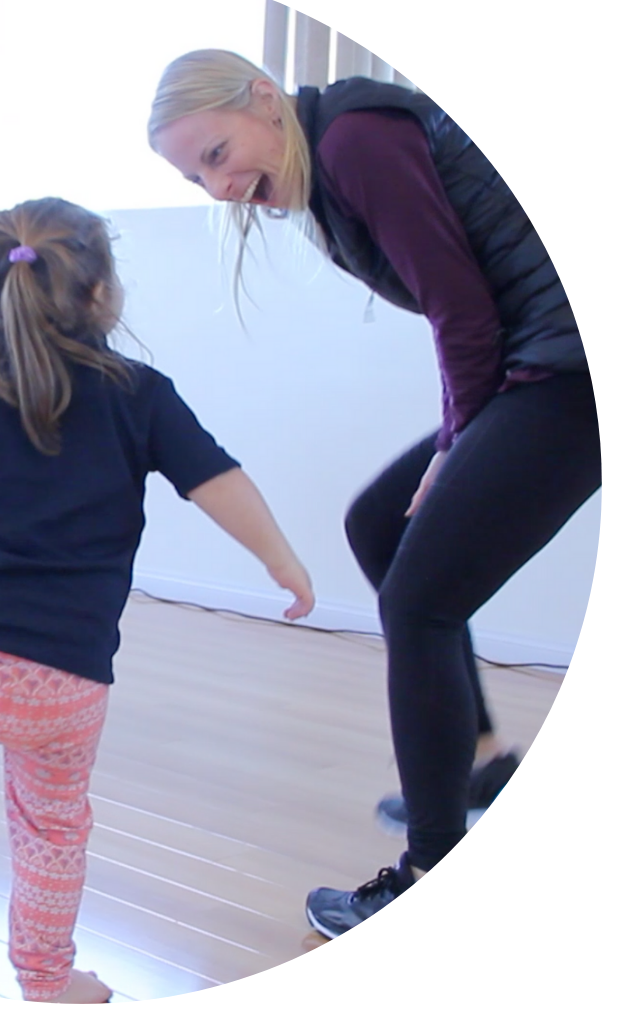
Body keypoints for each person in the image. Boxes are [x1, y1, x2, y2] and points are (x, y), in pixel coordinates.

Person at [148, 49, 599, 936]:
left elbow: (461, 311)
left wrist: (461, 436)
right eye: (195, 175)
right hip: (534, 366)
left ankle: (428, 862)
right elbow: (464, 309)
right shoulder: (332, 159)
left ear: (266, 100)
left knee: (421, 600)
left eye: (216, 154)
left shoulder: (354, 140)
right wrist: (461, 432)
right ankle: (477, 762)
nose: (220, 186)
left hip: (564, 372)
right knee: (380, 525)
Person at [0, 197, 315, 1003]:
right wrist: (281, 560)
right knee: (50, 828)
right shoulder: (141, 393)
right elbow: (219, 483)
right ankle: (46, 978)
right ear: (103, 293)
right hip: (68, 674)